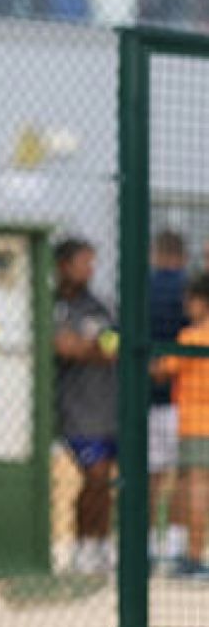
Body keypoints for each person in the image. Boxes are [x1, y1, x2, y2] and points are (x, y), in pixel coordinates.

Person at [53, 237, 119, 574]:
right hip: (77, 411)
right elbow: (63, 346)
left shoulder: (100, 305)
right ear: (64, 265)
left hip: (107, 409)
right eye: (84, 262)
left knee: (105, 480)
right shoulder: (53, 303)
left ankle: (100, 544)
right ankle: (82, 544)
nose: (90, 270)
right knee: (94, 475)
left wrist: (88, 348)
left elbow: (112, 345)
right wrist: (91, 348)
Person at [153, 274, 209, 578]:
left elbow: (163, 371)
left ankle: (193, 556)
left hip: (196, 421)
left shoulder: (192, 336)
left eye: (191, 300)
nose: (187, 306)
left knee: (196, 487)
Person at [148, 230, 189, 567]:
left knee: (151, 474)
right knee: (181, 474)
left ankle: (148, 546)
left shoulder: (141, 286)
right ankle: (176, 546)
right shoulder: (188, 290)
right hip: (183, 397)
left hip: (144, 395)